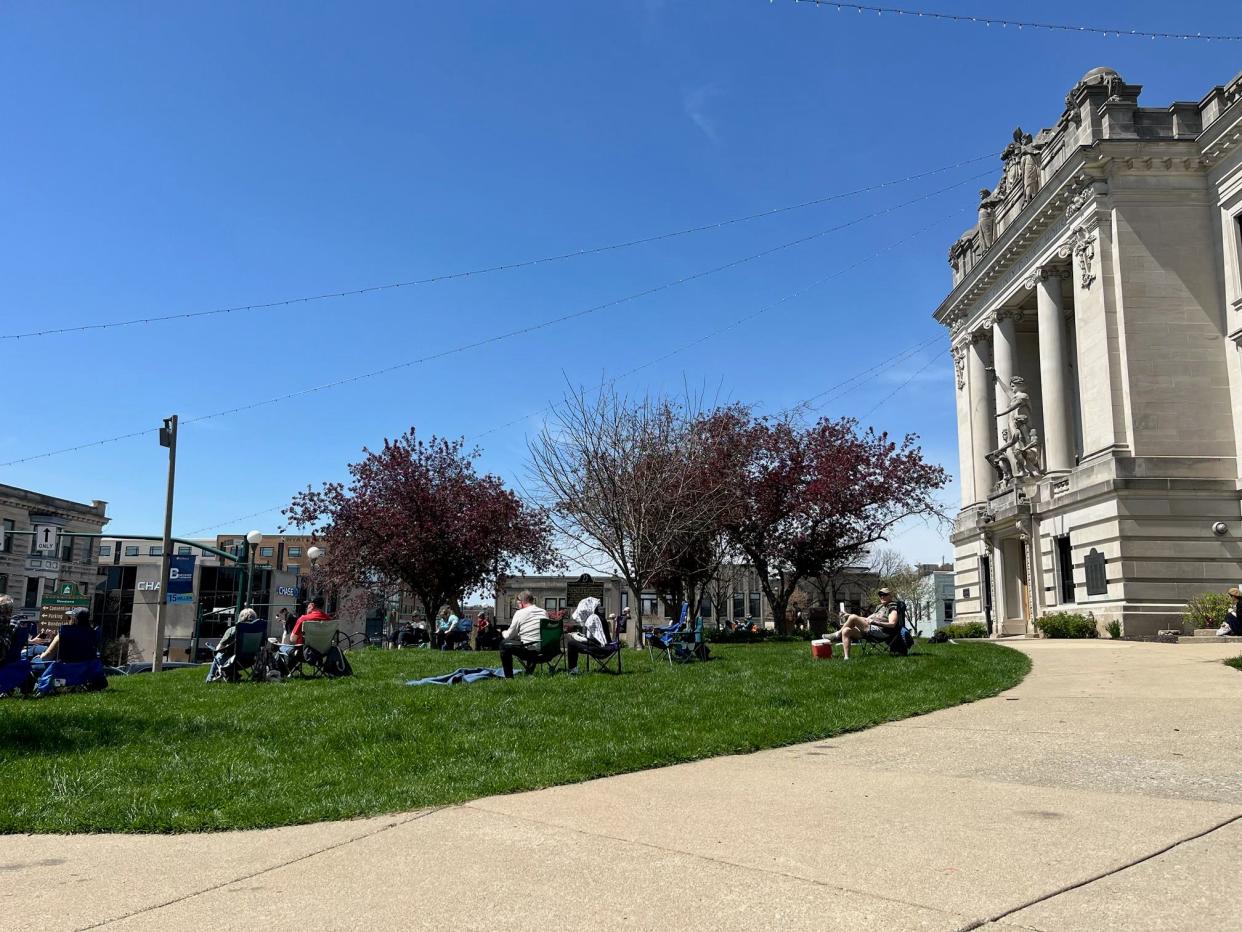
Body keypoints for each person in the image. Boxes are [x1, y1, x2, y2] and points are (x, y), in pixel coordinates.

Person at [833, 588, 900, 660]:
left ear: (890, 596)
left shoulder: (892, 607)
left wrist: (875, 622)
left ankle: (837, 635)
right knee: (846, 630)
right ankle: (846, 658)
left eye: (885, 594)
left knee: (853, 617)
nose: (882, 596)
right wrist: (848, 615)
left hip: (881, 632)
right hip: (869, 630)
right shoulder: (879, 607)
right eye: (880, 595)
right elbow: (866, 619)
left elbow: (892, 624)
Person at [499, 590, 547, 678]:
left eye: (518, 603)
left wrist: (503, 632)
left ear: (521, 602)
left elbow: (509, 635)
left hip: (530, 652)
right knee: (531, 640)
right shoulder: (543, 612)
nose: (518, 606)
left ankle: (509, 678)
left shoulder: (519, 613)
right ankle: (529, 672)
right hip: (545, 651)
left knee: (504, 644)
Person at [565, 597, 608, 675]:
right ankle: (573, 669)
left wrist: (577, 637)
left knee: (571, 643)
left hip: (599, 648)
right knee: (574, 642)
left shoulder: (592, 619)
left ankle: (573, 670)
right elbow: (596, 637)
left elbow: (593, 640)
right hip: (604, 646)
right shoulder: (601, 617)